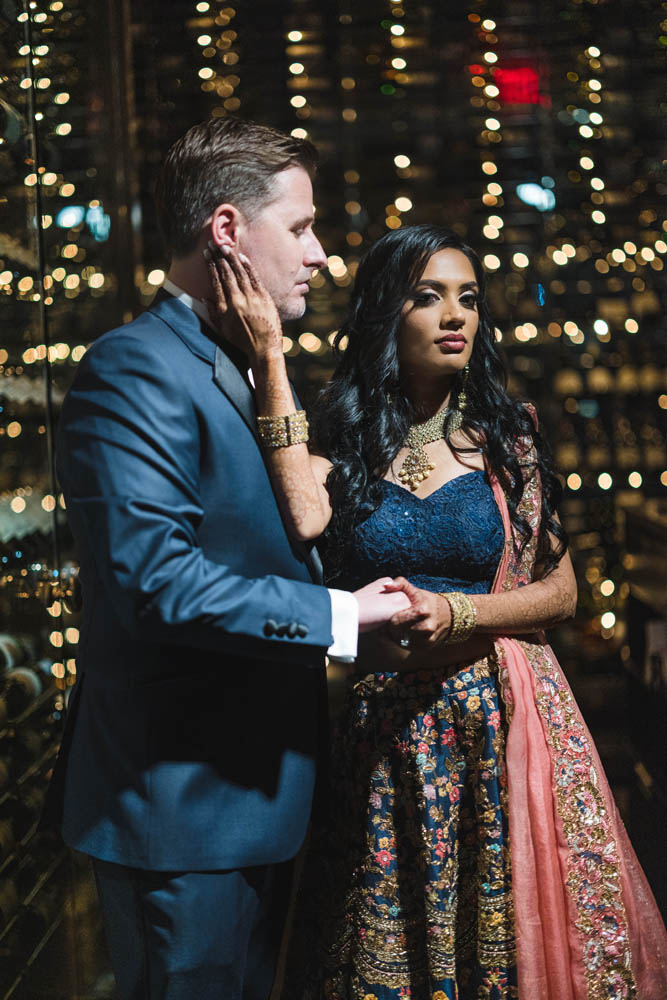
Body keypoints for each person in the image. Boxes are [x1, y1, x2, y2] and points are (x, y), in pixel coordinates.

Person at [205, 224, 667, 1000]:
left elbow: (560, 592)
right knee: (389, 946)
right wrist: (271, 360)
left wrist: (458, 613)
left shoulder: (505, 437)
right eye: (428, 298)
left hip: (492, 726)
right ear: (388, 313)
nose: (456, 316)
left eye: (468, 299)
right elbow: (305, 516)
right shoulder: (342, 440)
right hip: (382, 739)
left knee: (496, 942)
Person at [47, 116, 410, 1000]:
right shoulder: (132, 369)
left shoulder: (246, 364)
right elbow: (155, 583)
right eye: (300, 227)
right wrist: (340, 617)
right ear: (227, 231)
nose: (320, 254)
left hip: (260, 799)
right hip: (181, 814)